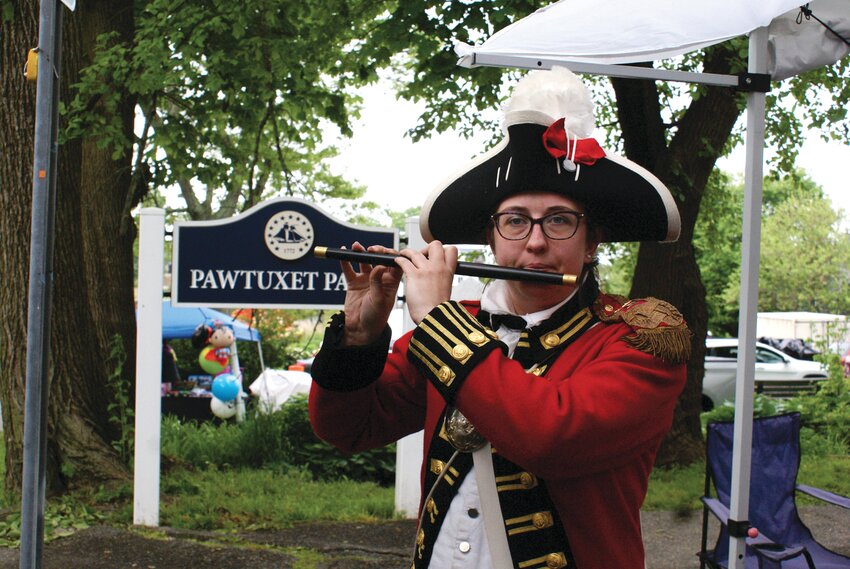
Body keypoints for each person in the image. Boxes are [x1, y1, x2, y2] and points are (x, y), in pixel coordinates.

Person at [308, 67, 690, 569]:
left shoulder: (640, 339)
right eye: (515, 221)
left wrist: (439, 322)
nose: (534, 242)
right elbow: (348, 429)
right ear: (490, 238)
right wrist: (359, 337)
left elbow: (550, 437)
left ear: (591, 241)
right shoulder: (457, 324)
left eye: (559, 220)